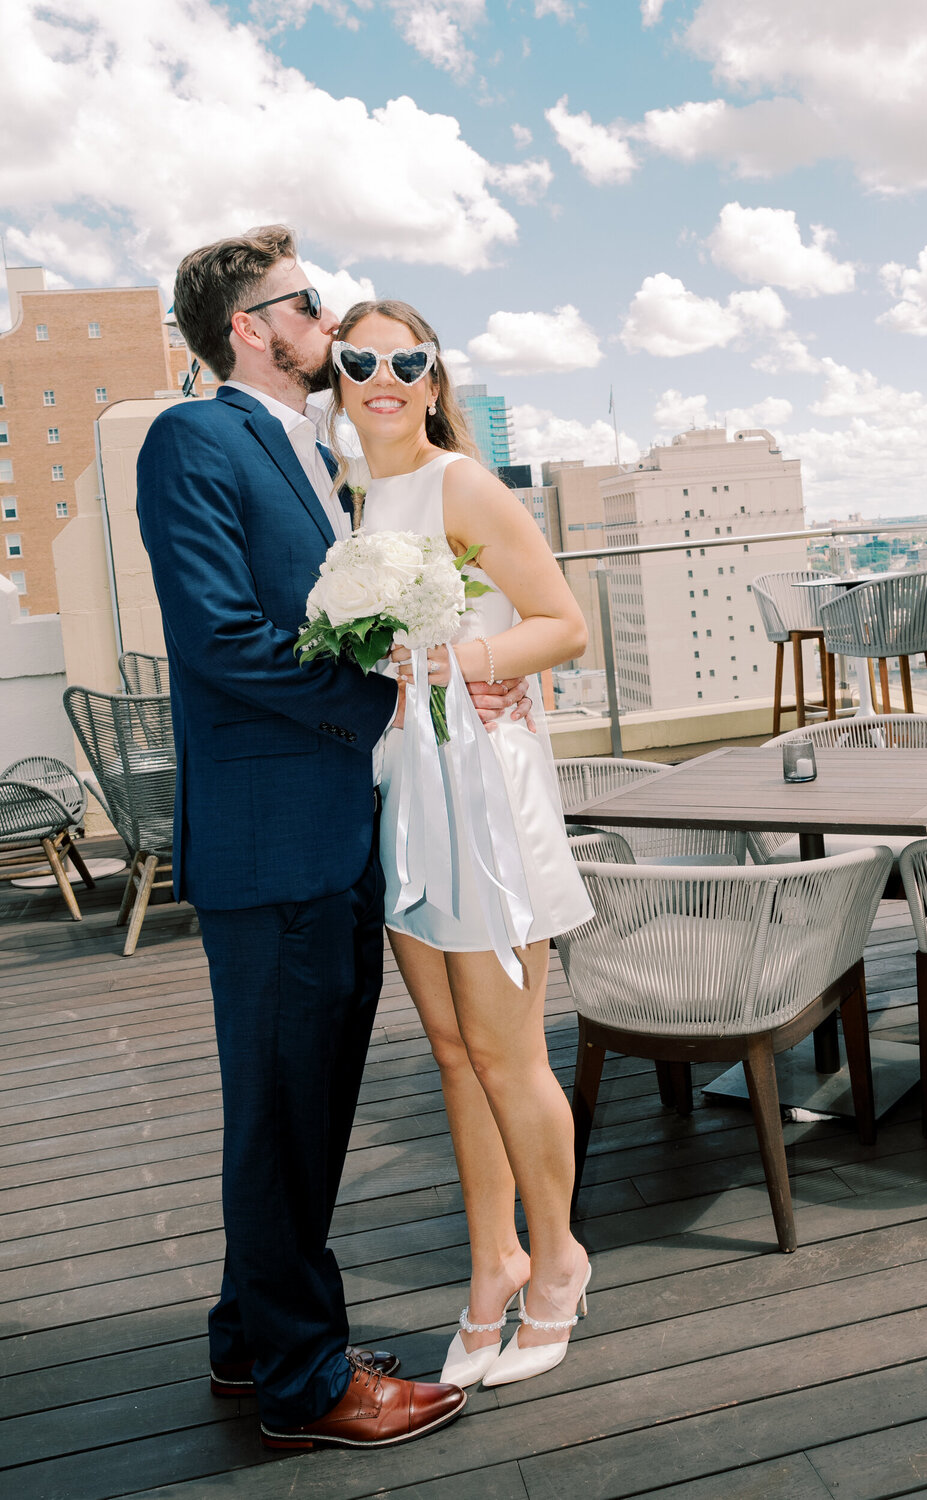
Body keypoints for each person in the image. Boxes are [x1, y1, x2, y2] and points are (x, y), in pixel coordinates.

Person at [136, 226, 531, 1451]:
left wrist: (461, 660)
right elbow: (217, 640)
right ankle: (309, 1385)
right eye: (306, 304)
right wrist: (381, 692)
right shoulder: (193, 438)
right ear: (251, 327)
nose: (329, 320)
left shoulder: (314, 453)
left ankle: (254, 1341)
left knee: (299, 1103)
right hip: (273, 841)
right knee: (283, 1108)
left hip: (330, 829)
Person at [329, 299, 594, 1389]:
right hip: (403, 786)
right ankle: (492, 1266)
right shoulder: (348, 499)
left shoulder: (462, 485)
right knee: (450, 1052)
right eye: (359, 359)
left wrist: (464, 664)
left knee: (507, 1051)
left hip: (482, 794)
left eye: (407, 359)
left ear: (435, 380)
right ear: (338, 381)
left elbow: (561, 624)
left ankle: (560, 1262)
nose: (382, 375)